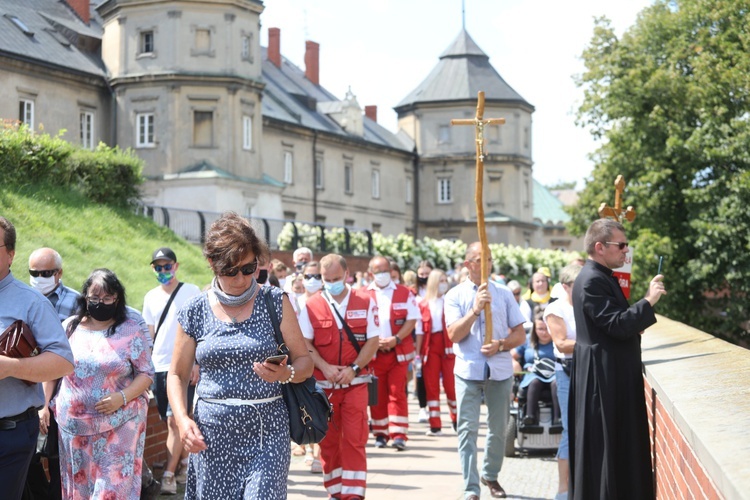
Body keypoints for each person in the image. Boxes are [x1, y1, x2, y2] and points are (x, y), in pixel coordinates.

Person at [167, 212, 313, 499]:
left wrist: (287, 374)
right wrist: (183, 421)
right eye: (230, 271)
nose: (241, 278)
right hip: (211, 435)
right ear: (212, 263)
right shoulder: (195, 309)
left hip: (266, 431)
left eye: (249, 269)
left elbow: (305, 361)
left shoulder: (275, 301)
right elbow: (177, 374)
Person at [569, 219, 666, 500]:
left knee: (616, 449)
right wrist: (648, 301)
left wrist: (640, 314)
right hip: (602, 381)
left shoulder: (599, 277)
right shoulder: (591, 280)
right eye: (621, 245)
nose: (626, 251)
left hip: (608, 374)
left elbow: (615, 325)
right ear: (600, 247)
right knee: (606, 451)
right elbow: (616, 325)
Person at [48, 268, 155, 499]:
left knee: (111, 491)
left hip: (120, 423)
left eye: (107, 298)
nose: (101, 303)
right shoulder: (70, 327)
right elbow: (53, 367)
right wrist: (43, 405)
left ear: (117, 298)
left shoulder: (130, 330)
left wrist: (122, 397)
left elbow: (146, 373)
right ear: (84, 297)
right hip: (74, 426)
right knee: (80, 489)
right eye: (95, 298)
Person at [0, 217, 75, 500]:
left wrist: (11, 367)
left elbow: (63, 361)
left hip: (9, 434)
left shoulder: (31, 302)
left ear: (10, 254)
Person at [444, 242, 526, 500]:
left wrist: (501, 344)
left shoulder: (503, 293)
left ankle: (490, 474)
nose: (487, 264)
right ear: (468, 264)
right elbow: (454, 335)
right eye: (481, 259)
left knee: (499, 428)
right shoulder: (455, 295)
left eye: (489, 259)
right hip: (468, 371)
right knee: (467, 430)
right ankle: (471, 487)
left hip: (499, 371)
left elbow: (520, 334)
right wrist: (475, 309)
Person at [298, 253, 380, 500]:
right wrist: (325, 366)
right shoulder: (312, 305)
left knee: (355, 440)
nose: (331, 282)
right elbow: (305, 343)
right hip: (325, 387)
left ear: (346, 274)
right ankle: (335, 491)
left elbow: (373, 341)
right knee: (329, 442)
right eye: (326, 278)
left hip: (356, 383)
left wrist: (353, 369)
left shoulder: (366, 301)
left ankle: (354, 495)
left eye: (336, 278)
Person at [141, 246, 201, 494]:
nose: (163, 270)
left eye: (167, 266)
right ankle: (185, 462)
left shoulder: (191, 292)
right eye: (158, 267)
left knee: (175, 421)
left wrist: (197, 362)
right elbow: (148, 336)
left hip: (184, 367)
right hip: (159, 367)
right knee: (171, 423)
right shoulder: (150, 297)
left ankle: (168, 474)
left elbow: (199, 330)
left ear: (176, 266)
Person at [365, 255, 419, 451]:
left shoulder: (405, 293)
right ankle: (380, 433)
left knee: (397, 393)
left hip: (398, 353)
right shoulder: (362, 294)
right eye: (378, 271)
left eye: (385, 270)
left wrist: (395, 339)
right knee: (377, 395)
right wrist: (374, 342)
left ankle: (399, 434)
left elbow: (412, 319)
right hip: (373, 354)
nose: (382, 275)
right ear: (371, 273)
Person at [543, 263, 582, 500]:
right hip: (567, 371)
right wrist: (595, 344)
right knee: (570, 429)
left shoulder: (589, 304)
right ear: (566, 287)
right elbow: (561, 344)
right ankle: (563, 489)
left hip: (589, 368)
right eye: (580, 286)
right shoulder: (556, 309)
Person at [418, 268, 457, 436]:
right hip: (430, 346)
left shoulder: (451, 300)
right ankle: (435, 424)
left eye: (445, 281)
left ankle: (456, 420)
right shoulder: (422, 303)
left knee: (451, 385)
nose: (444, 284)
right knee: (431, 386)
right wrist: (418, 354)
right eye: (441, 281)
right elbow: (419, 330)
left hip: (448, 345)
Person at [512, 314, 559, 426]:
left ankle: (558, 418)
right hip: (533, 374)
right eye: (540, 329)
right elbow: (511, 356)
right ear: (535, 329)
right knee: (535, 382)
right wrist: (514, 364)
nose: (544, 332)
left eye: (547, 328)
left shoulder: (558, 340)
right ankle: (530, 417)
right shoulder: (527, 341)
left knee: (556, 383)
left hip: (553, 373)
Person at [28, 247, 79, 322]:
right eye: (34, 273)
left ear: (59, 273)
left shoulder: (76, 301)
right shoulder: (23, 296)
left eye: (46, 273)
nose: (39, 277)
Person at [414, 260, 434, 423]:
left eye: (427, 274)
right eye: (421, 274)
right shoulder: (413, 293)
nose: (424, 277)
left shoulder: (439, 293)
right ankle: (422, 408)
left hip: (434, 338)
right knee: (420, 373)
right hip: (417, 336)